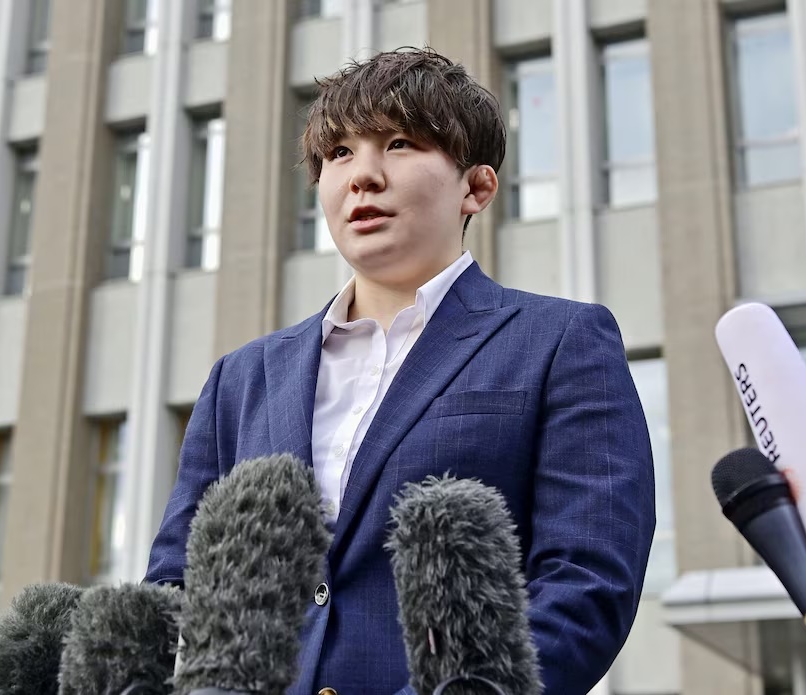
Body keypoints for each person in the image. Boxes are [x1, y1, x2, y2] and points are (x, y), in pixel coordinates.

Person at [145, 47, 656, 695]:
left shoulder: (560, 341)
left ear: (476, 186)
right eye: (339, 154)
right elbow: (176, 582)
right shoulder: (242, 378)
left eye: (399, 143)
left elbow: (587, 580)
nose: (362, 175)